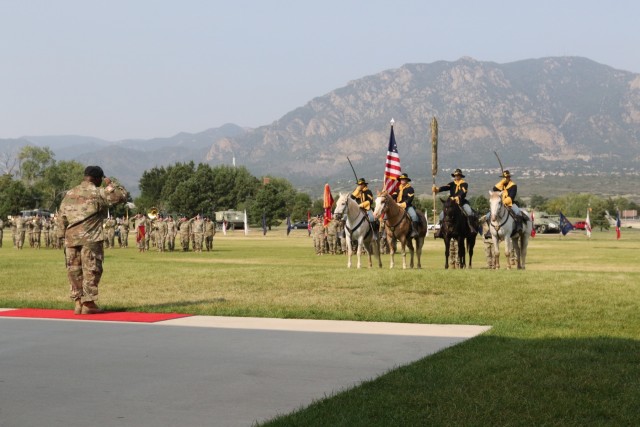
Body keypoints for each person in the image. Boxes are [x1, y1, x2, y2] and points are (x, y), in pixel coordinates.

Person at [56, 166, 128, 315]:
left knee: (74, 270)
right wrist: (110, 184)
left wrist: (61, 235)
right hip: (91, 238)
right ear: (97, 179)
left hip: (71, 238)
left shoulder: (70, 193)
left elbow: (61, 215)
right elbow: (121, 196)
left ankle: (77, 302)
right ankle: (88, 303)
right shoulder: (99, 192)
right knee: (91, 269)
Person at [433, 168, 475, 234]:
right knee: (441, 215)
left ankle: (470, 227)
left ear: (460, 176)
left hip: (462, 202)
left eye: (458, 175)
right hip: (451, 203)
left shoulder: (464, 184)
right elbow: (445, 187)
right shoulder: (452, 183)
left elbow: (463, 191)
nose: (456, 176)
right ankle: (441, 229)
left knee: (469, 212)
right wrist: (437, 189)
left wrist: (458, 196)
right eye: (455, 175)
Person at [392, 173, 419, 237]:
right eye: (401, 179)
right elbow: (394, 196)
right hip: (397, 206)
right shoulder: (398, 189)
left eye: (404, 179)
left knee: (414, 216)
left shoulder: (410, 189)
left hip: (407, 206)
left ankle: (414, 231)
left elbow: (409, 199)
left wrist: (401, 204)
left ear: (407, 180)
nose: (402, 180)